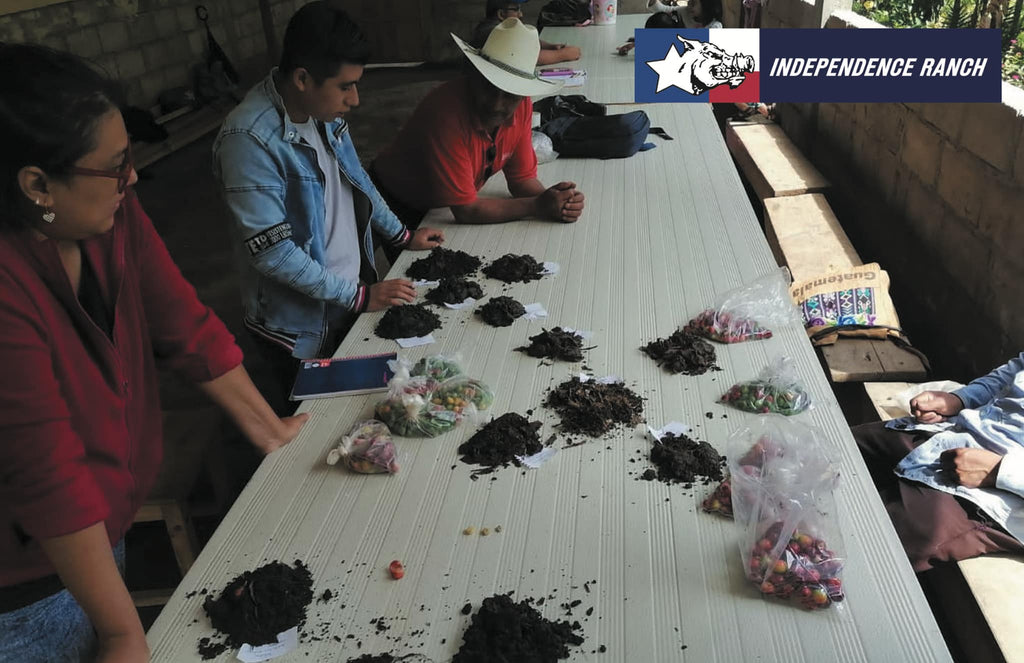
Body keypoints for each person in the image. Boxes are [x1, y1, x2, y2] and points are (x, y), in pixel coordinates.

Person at [0, 43, 308, 663]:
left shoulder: (106, 214)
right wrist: (121, 630)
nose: (132, 178)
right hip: (26, 579)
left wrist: (269, 430)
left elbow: (183, 322)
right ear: (37, 184)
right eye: (114, 166)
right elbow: (46, 471)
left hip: (97, 524)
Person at [213, 2, 445, 401]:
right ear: (303, 78)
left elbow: (358, 182)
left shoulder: (323, 112)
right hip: (299, 328)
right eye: (345, 86)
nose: (355, 99)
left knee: (367, 409)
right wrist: (359, 296)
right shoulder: (247, 140)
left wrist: (403, 236)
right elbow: (274, 254)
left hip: (348, 295)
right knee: (311, 425)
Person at [371, 18, 586, 229]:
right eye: (489, 87)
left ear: (523, 94)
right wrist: (537, 205)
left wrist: (558, 200)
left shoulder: (522, 106)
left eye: (510, 94)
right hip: (395, 205)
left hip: (442, 204)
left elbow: (521, 179)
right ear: (471, 75)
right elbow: (467, 210)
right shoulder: (444, 114)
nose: (496, 104)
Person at [852, 353, 1024, 572]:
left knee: (865, 545)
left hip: (994, 498)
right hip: (950, 435)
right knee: (830, 451)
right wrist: (959, 399)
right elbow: (1011, 375)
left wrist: (1000, 471)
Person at [472, 0, 582, 65]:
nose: (521, 14)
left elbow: (525, 39)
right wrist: (563, 55)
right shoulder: (496, 33)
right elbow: (527, 58)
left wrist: (551, 46)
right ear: (501, 14)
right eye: (516, 10)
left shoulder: (504, 27)